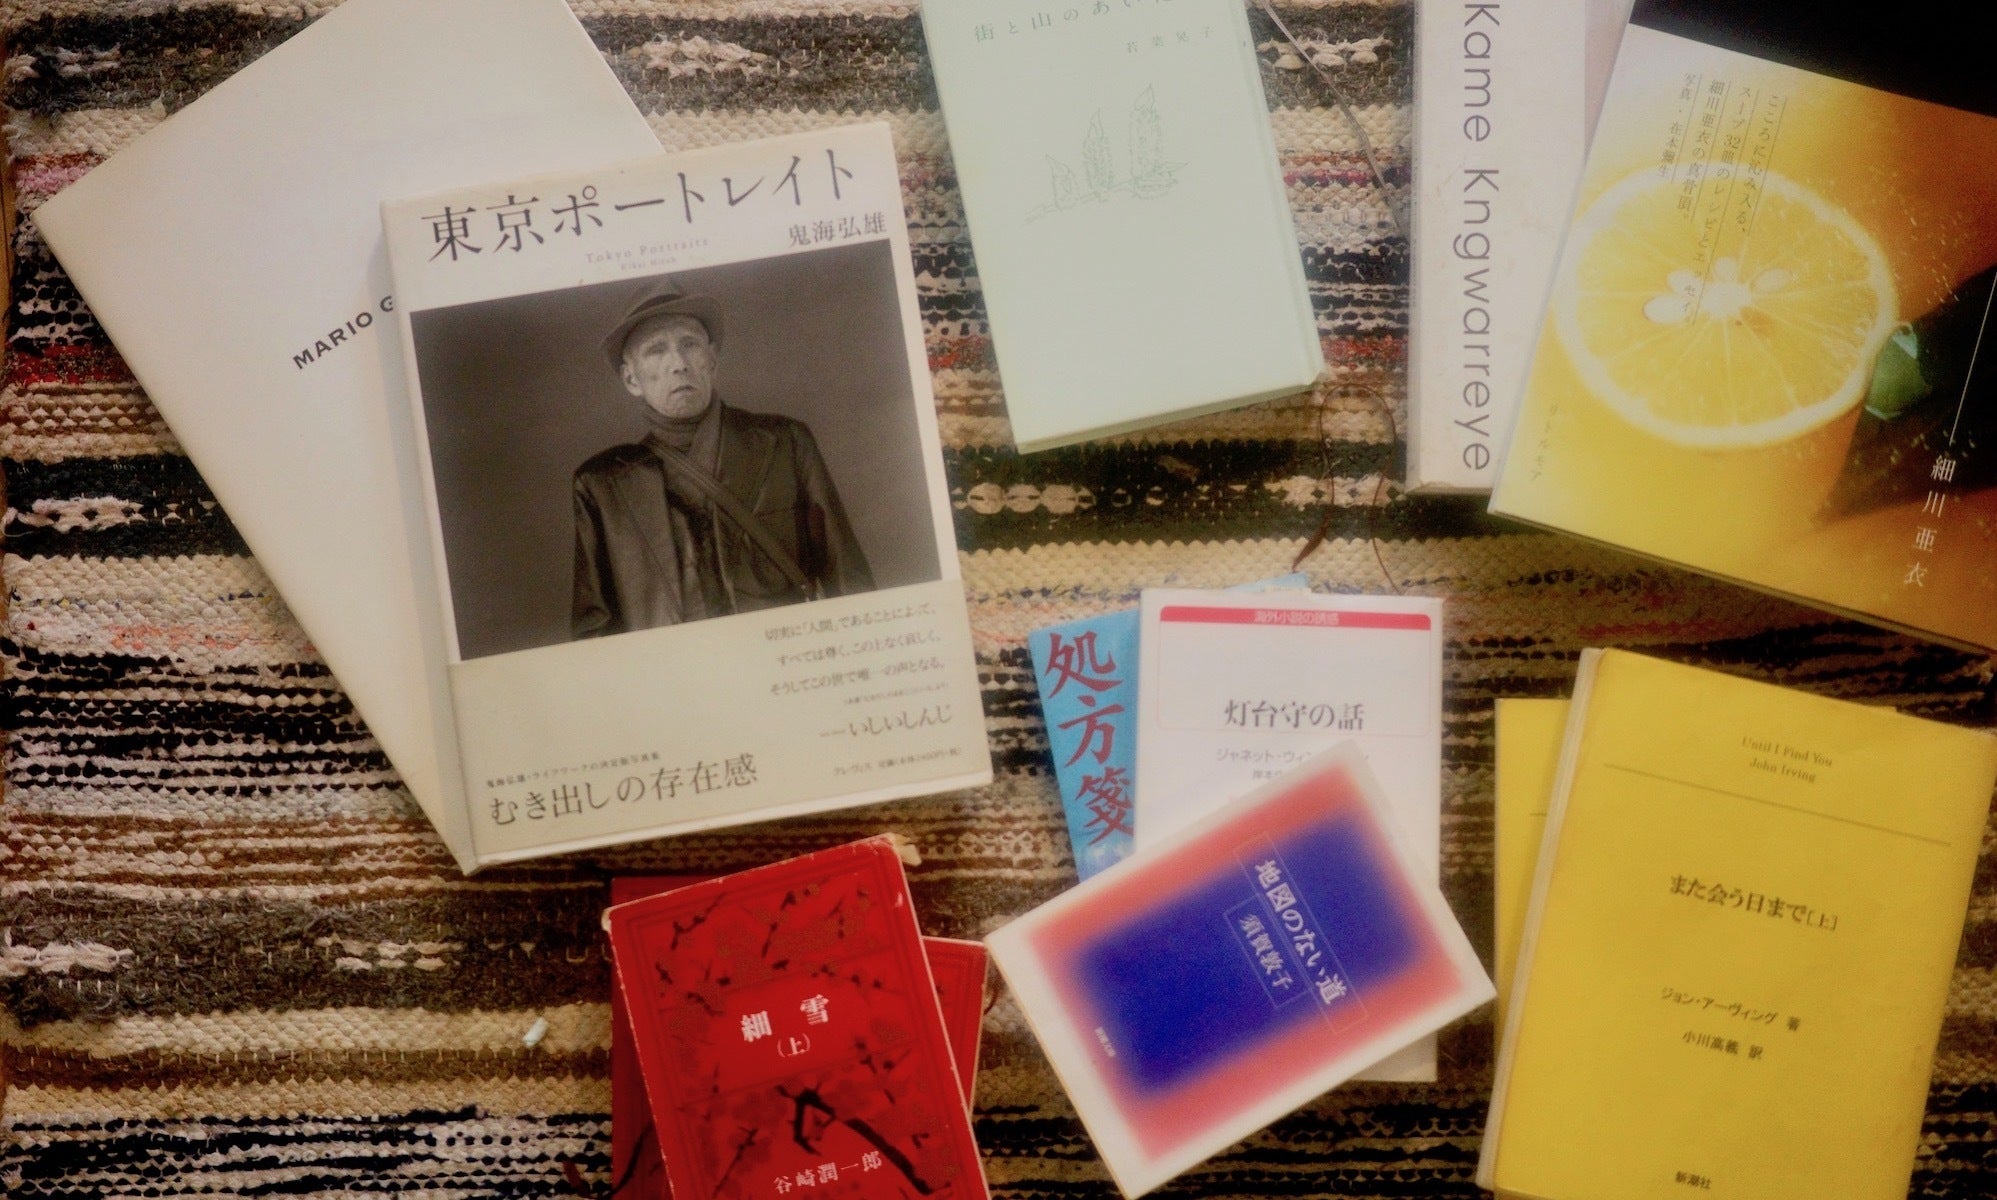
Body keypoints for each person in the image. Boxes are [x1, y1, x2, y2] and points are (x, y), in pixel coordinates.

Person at [571, 281, 873, 638]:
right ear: (631, 379)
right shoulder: (603, 485)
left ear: (712, 360)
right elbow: (594, 634)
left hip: (780, 656)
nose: (678, 364)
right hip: (675, 670)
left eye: (689, 344)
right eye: (656, 350)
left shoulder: (785, 442)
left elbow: (849, 581)